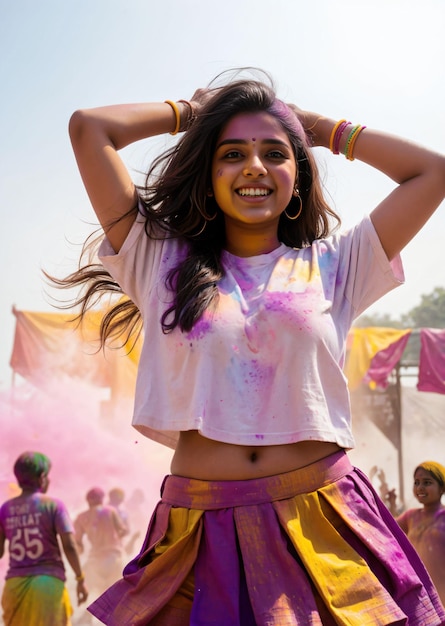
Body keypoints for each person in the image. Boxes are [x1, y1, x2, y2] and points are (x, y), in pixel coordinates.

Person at [55, 68, 445, 624]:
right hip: (199, 530)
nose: (254, 166)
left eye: (274, 153)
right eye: (232, 154)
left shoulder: (337, 263)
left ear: (298, 173)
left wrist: (319, 128)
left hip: (325, 520)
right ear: (209, 175)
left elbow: (432, 171)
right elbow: (89, 129)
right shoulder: (158, 260)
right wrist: (194, 113)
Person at [0, 451, 88, 626]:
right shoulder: (54, 505)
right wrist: (80, 578)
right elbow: (69, 546)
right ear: (42, 477)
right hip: (48, 586)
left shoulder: (5, 509)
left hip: (14, 587)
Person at [397, 461, 445, 607]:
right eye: (416, 482)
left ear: (442, 487)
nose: (420, 487)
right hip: (420, 595)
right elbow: (387, 529)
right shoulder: (410, 517)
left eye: (427, 482)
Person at [73, 487, 128, 603]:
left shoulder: (81, 517)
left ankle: (86, 616)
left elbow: (76, 543)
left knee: (89, 592)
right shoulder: (111, 511)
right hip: (116, 559)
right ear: (102, 499)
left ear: (88, 500)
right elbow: (123, 531)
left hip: (95, 561)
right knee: (113, 599)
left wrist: (80, 549)